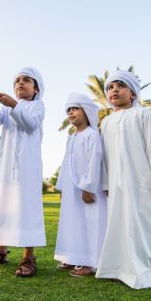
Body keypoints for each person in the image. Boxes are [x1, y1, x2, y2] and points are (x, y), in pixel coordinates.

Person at [95, 70, 151, 289]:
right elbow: (104, 156)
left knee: (144, 225)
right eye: (110, 87)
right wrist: (105, 183)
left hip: (142, 180)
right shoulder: (106, 122)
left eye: (120, 86)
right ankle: (119, 269)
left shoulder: (142, 114)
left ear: (132, 93)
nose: (114, 90)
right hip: (116, 183)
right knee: (119, 225)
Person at [0, 68, 45, 277]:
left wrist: (13, 104)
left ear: (36, 88)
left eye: (26, 80)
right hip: (6, 168)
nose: (20, 83)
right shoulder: (6, 109)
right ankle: (1, 252)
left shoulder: (37, 106)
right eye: (17, 81)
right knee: (4, 206)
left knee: (27, 208)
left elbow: (31, 125)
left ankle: (28, 257)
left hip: (28, 168)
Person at [54, 93, 108, 277]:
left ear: (87, 111)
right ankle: (72, 255)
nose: (70, 112)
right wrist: (62, 186)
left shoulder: (92, 135)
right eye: (68, 109)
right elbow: (66, 162)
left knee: (90, 224)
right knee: (72, 223)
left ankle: (90, 262)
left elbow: (95, 161)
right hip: (71, 190)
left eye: (75, 108)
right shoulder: (71, 137)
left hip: (87, 190)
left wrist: (88, 188)